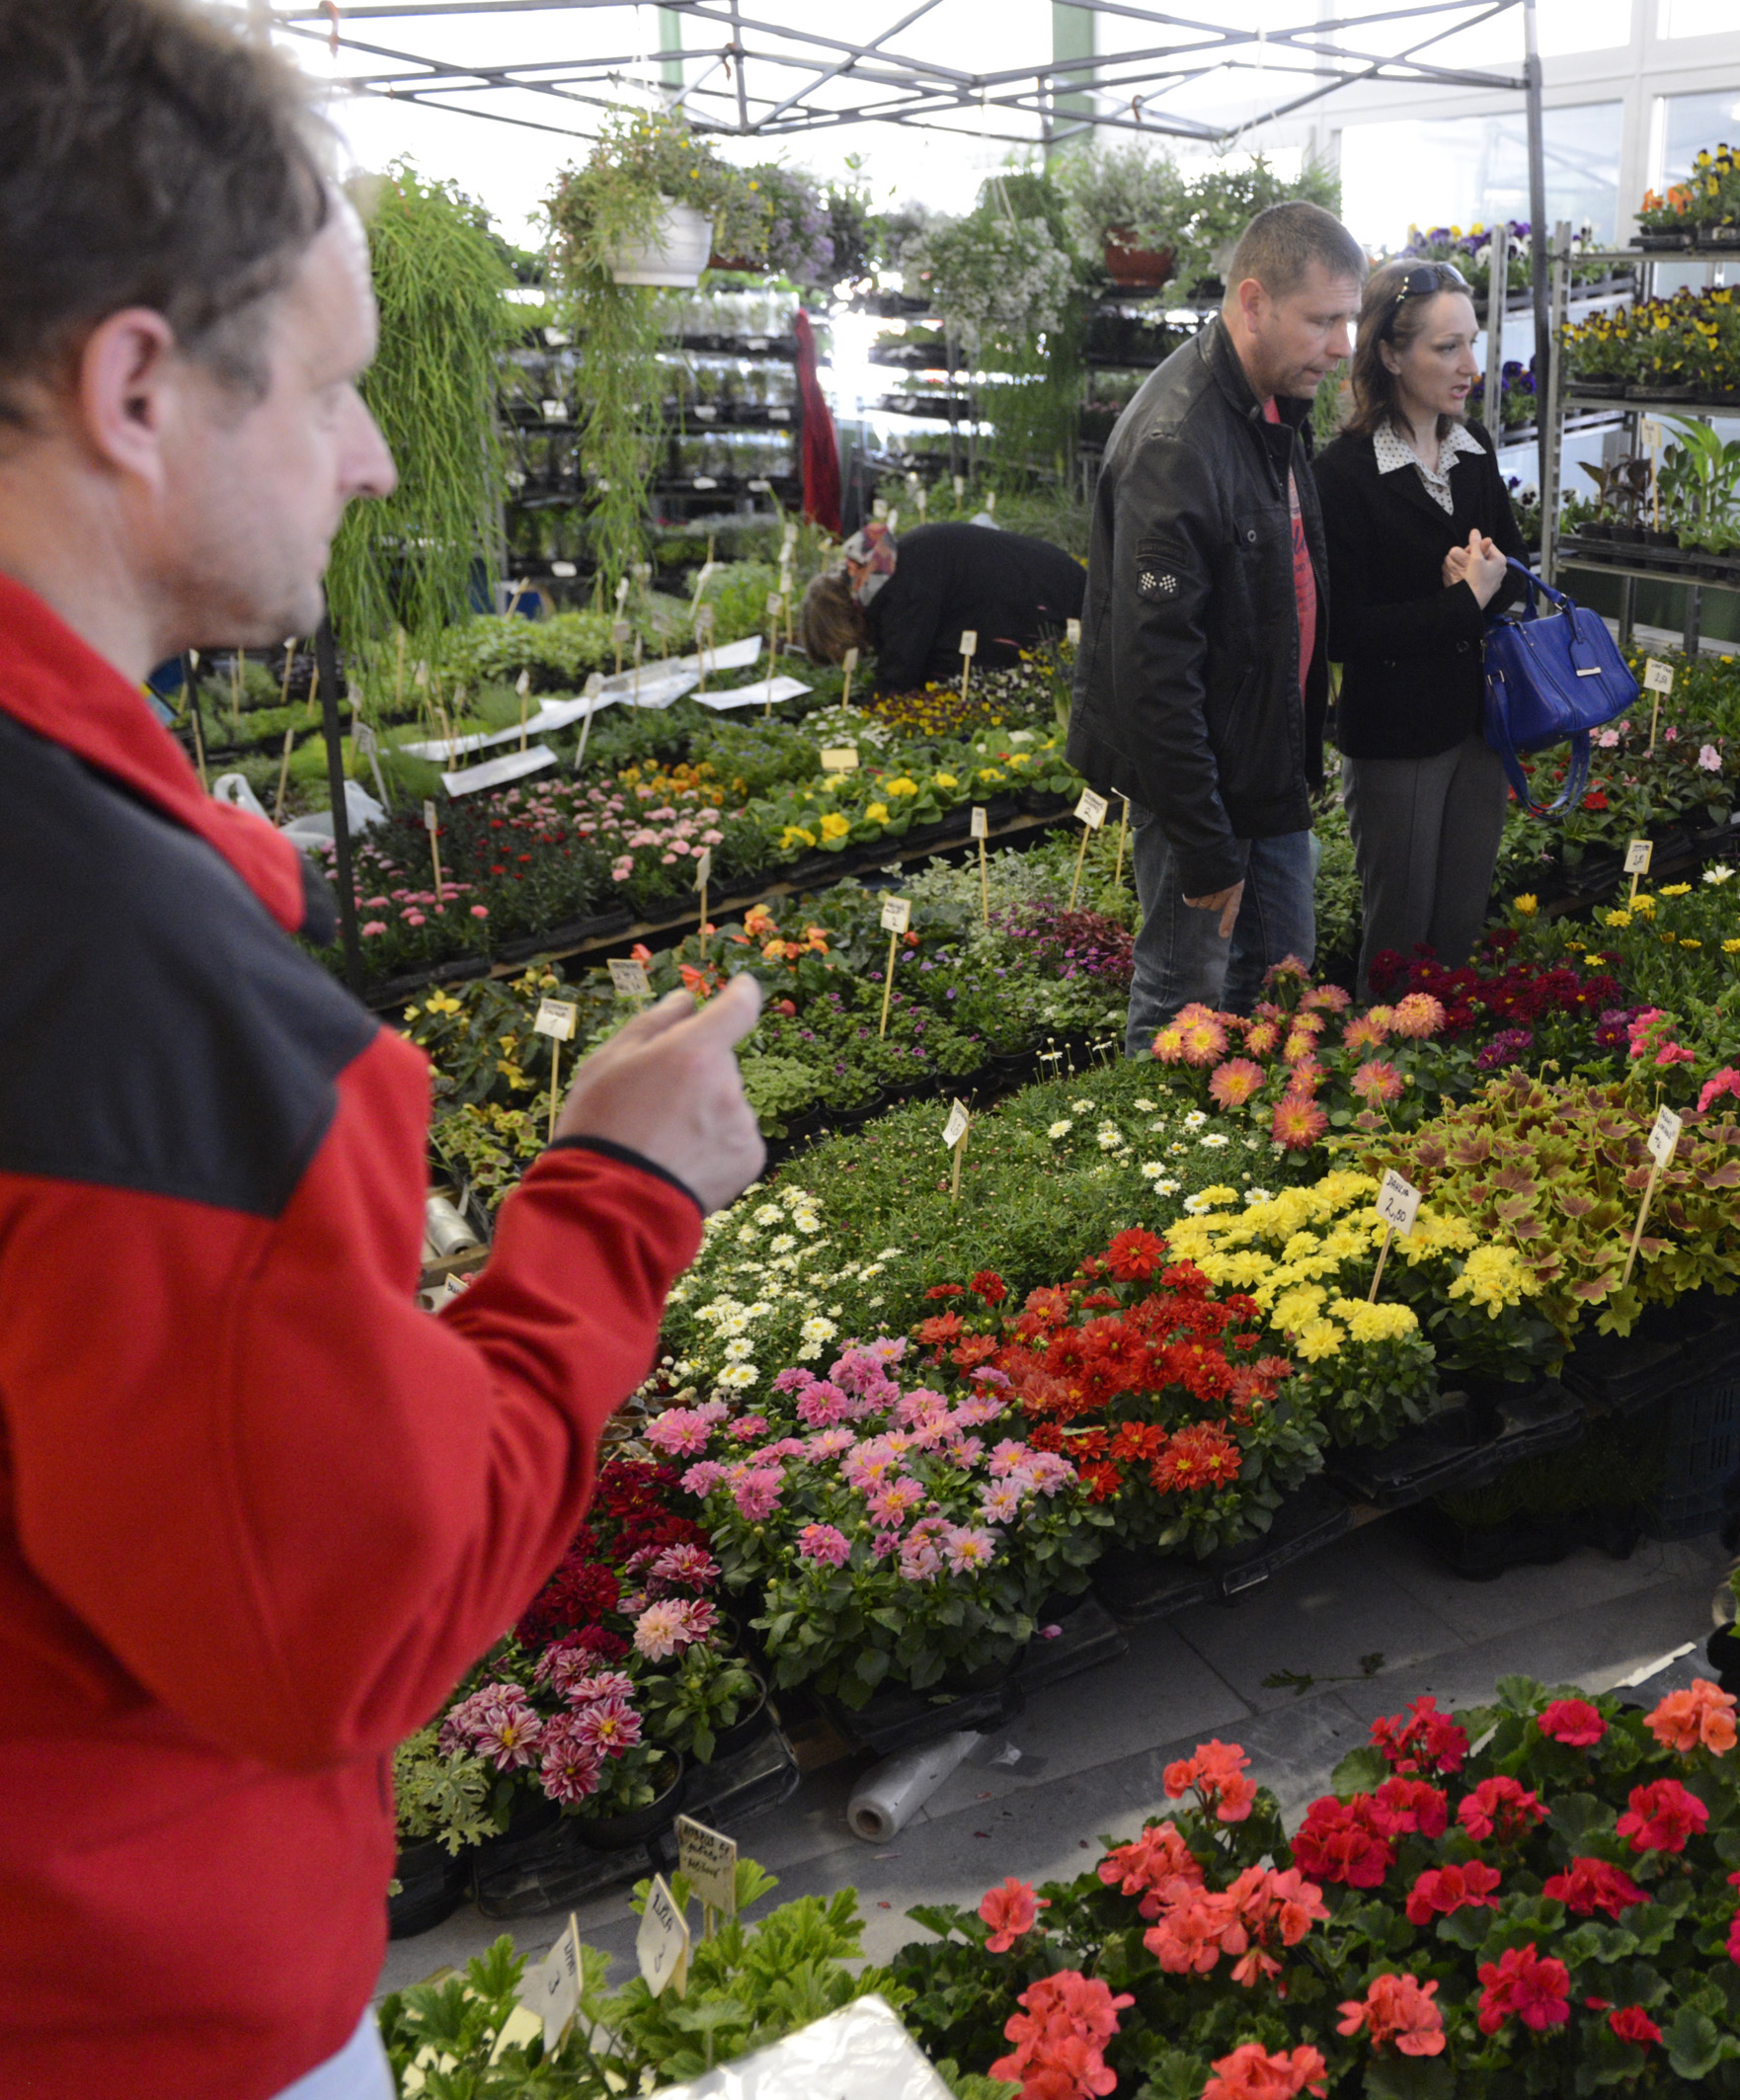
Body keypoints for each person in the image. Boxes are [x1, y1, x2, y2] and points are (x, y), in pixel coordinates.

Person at [0, 6, 767, 2095]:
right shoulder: (134, 992)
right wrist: (618, 1198)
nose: (379, 458)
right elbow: (355, 1617)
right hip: (114, 2008)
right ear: (138, 389)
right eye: (332, 388)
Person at [1068, 201, 1366, 1053]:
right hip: (1202, 779)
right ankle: (1153, 1174)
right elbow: (1154, 673)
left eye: (1347, 318)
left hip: (1261, 759)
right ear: (1253, 303)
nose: (1342, 345)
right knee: (1181, 1000)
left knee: (1278, 982)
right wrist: (1204, 847)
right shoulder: (1178, 444)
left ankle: (1242, 1166)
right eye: (1323, 320)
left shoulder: (1270, 404)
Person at [1310, 261, 1534, 981]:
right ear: (1388, 353)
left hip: (1479, 724)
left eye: (1472, 342)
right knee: (1400, 934)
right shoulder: (1342, 473)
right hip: (1397, 737)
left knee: (1461, 923)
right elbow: (1342, 630)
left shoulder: (1473, 452)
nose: (1470, 366)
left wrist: (1484, 583)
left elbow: (1514, 576)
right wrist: (1459, 602)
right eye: (1447, 348)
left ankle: (1448, 1080)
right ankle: (1384, 1081)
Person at [797, 515, 1086, 694]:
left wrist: (868, 713)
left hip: (1053, 596)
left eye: (836, 646)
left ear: (840, 624)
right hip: (1054, 584)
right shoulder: (885, 572)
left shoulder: (898, 589)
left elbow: (902, 668)